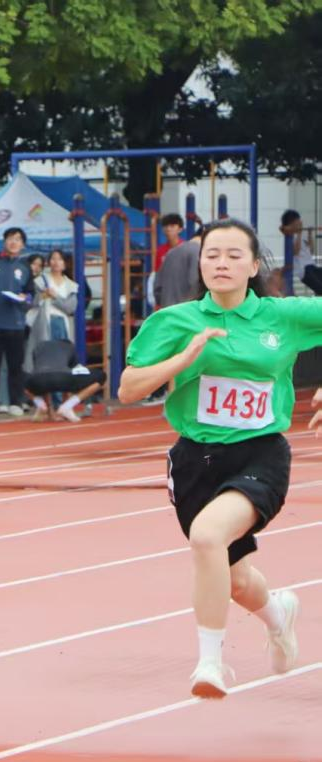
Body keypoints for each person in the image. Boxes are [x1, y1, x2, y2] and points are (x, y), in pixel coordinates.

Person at [119, 219, 304, 699]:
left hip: (260, 452)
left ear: (254, 265)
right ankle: (278, 615)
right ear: (200, 264)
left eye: (233, 255)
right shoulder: (173, 322)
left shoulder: (284, 316)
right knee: (236, 578)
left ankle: (210, 664)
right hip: (194, 460)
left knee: (207, 536)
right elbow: (128, 389)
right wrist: (183, 360)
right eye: (212, 255)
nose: (222, 263)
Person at [0, 227, 33, 415]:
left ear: (22, 245)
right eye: (10, 238)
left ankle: (15, 401)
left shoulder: (25, 266)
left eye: (17, 239)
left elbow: (30, 293)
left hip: (16, 323)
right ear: (4, 241)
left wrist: (24, 298)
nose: (13, 242)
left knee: (15, 365)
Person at [24, 340, 104, 422]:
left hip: (38, 380)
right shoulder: (70, 347)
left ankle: (40, 404)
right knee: (101, 376)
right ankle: (67, 406)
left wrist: (50, 413)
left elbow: (41, 375)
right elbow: (72, 373)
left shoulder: (39, 347)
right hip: (63, 377)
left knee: (28, 384)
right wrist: (66, 404)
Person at [25, 250, 78, 371]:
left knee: (62, 355)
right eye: (53, 259)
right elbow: (31, 302)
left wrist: (54, 297)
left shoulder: (71, 285)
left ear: (65, 263)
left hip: (63, 323)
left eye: (60, 259)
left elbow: (70, 308)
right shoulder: (39, 281)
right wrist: (43, 295)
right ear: (49, 262)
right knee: (44, 355)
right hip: (44, 321)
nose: (56, 262)